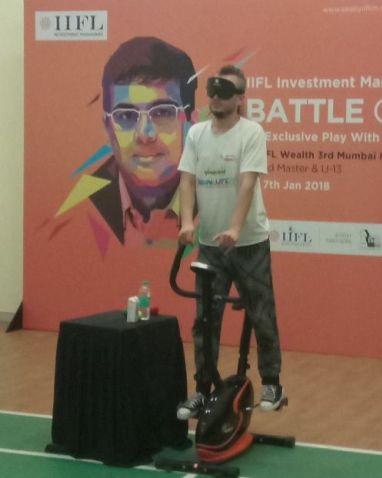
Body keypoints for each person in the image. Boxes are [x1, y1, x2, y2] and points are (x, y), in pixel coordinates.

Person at [177, 65, 285, 417]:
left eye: (224, 93)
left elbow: (247, 182)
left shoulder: (251, 133)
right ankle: (202, 389)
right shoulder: (196, 134)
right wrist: (187, 222)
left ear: (240, 99)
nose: (216, 99)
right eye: (212, 92)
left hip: (249, 243)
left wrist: (236, 229)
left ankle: (272, 382)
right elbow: (187, 180)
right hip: (210, 246)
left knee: (261, 311)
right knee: (205, 319)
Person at [56, 36, 197, 247]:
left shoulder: (221, 198)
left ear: (192, 123)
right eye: (126, 116)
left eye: (162, 112)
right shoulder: (77, 209)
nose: (145, 134)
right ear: (108, 128)